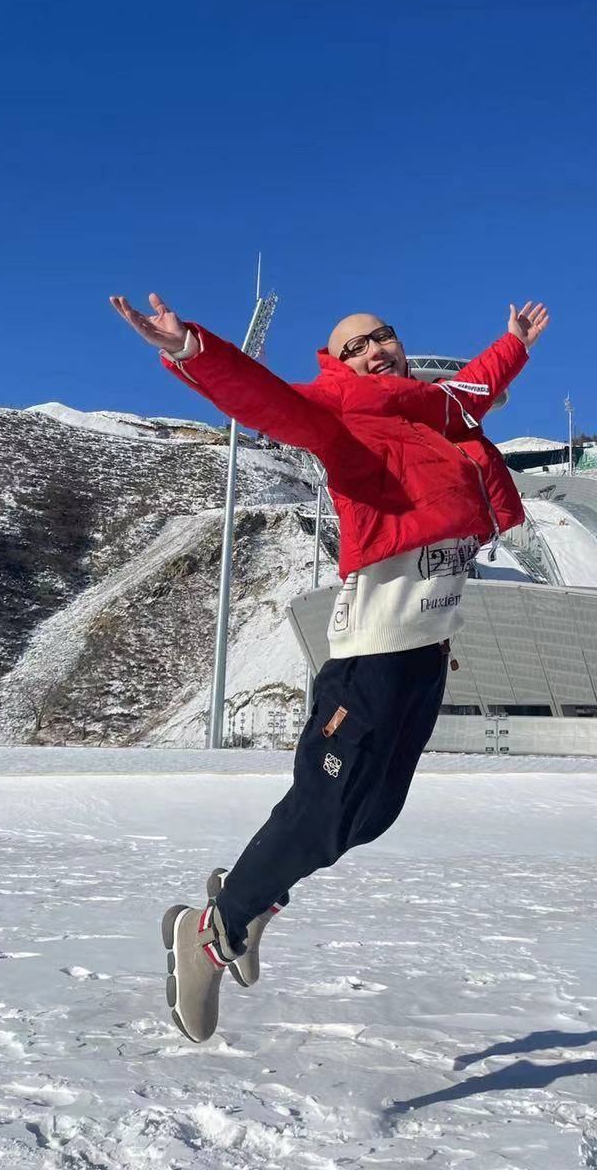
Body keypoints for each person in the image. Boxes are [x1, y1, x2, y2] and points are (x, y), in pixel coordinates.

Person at [110, 291, 551, 1041]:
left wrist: (511, 344)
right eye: (356, 345)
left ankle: (250, 890)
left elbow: (475, 387)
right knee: (323, 808)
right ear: (336, 364)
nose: (376, 348)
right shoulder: (338, 415)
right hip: (372, 651)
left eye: (385, 335)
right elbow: (267, 401)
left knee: (371, 816)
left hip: (426, 651)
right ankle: (210, 932)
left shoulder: (435, 414)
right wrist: (193, 350)